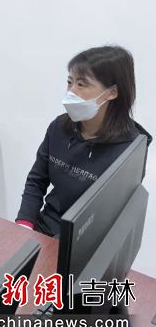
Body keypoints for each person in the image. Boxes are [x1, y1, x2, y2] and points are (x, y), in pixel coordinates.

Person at [16, 45, 151, 237]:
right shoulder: (59, 127)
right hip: (46, 226)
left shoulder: (129, 152)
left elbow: (110, 219)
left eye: (81, 84)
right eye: (69, 82)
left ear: (112, 92)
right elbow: (36, 181)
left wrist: (61, 247)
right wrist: (24, 225)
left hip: (84, 241)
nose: (71, 92)